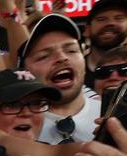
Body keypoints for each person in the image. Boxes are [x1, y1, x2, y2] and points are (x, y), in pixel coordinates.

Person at [17, 13, 100, 144]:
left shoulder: (113, 116)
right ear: (24, 72)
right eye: (44, 56)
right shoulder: (14, 128)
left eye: (71, 51)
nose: (62, 58)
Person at [83, 0, 127, 72]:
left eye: (119, 18)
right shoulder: (73, 71)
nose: (110, 23)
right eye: (101, 19)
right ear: (87, 29)